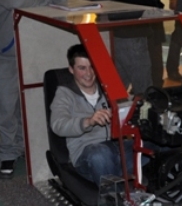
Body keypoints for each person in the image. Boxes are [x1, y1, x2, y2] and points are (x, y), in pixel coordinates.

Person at [0, 0, 67, 179]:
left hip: (31, 52)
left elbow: (60, 0)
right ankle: (7, 153)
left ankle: (24, 147)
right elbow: (14, 0)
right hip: (5, 54)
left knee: (29, 104)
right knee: (7, 106)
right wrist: (45, 3)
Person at [50, 44, 133, 185]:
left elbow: (128, 102)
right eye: (82, 68)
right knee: (100, 154)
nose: (88, 73)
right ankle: (113, 194)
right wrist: (88, 121)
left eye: (92, 67)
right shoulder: (64, 94)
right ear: (71, 69)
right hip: (88, 152)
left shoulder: (107, 87)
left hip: (117, 147)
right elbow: (58, 125)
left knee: (158, 144)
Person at [139, 0, 171, 87]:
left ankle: (157, 83)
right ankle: (141, 84)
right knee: (141, 50)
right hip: (138, 12)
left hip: (154, 9)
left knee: (156, 49)